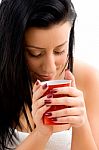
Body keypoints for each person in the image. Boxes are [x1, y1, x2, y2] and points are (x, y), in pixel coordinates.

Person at [0, 0, 99, 149]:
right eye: (35, 53)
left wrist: (81, 122)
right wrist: (41, 133)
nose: (50, 68)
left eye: (59, 51)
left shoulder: (87, 78)